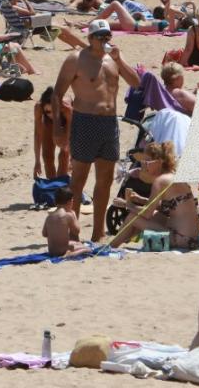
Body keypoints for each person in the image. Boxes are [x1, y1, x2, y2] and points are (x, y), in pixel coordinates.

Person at [52, 19, 141, 242]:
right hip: (84, 122)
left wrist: (120, 60)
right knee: (79, 179)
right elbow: (57, 93)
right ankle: (73, 229)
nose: (104, 41)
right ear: (90, 38)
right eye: (99, 36)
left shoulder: (114, 60)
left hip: (108, 124)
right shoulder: (76, 59)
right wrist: (58, 126)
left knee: (105, 180)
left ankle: (98, 231)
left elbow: (136, 83)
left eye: (107, 36)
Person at [108, 141, 199, 249]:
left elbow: (147, 213)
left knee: (133, 217)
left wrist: (127, 205)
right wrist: (141, 199)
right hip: (190, 240)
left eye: (147, 162)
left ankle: (111, 246)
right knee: (157, 215)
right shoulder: (172, 176)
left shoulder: (160, 181)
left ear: (159, 162)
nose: (144, 165)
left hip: (179, 239)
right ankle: (124, 238)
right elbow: (168, 208)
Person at [34, 85, 72, 179]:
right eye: (48, 112)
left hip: (66, 121)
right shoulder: (39, 107)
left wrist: (71, 159)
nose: (51, 115)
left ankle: (61, 185)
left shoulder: (67, 108)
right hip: (49, 123)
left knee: (64, 155)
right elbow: (37, 134)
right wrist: (37, 161)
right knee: (47, 156)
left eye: (54, 111)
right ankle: (52, 185)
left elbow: (71, 136)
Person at [42, 187, 90, 258]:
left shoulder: (49, 217)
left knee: (77, 243)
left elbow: (44, 234)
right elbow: (76, 231)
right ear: (70, 202)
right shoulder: (68, 216)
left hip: (51, 251)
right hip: (62, 251)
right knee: (87, 249)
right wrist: (73, 215)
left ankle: (67, 250)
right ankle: (69, 255)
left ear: (55, 202)